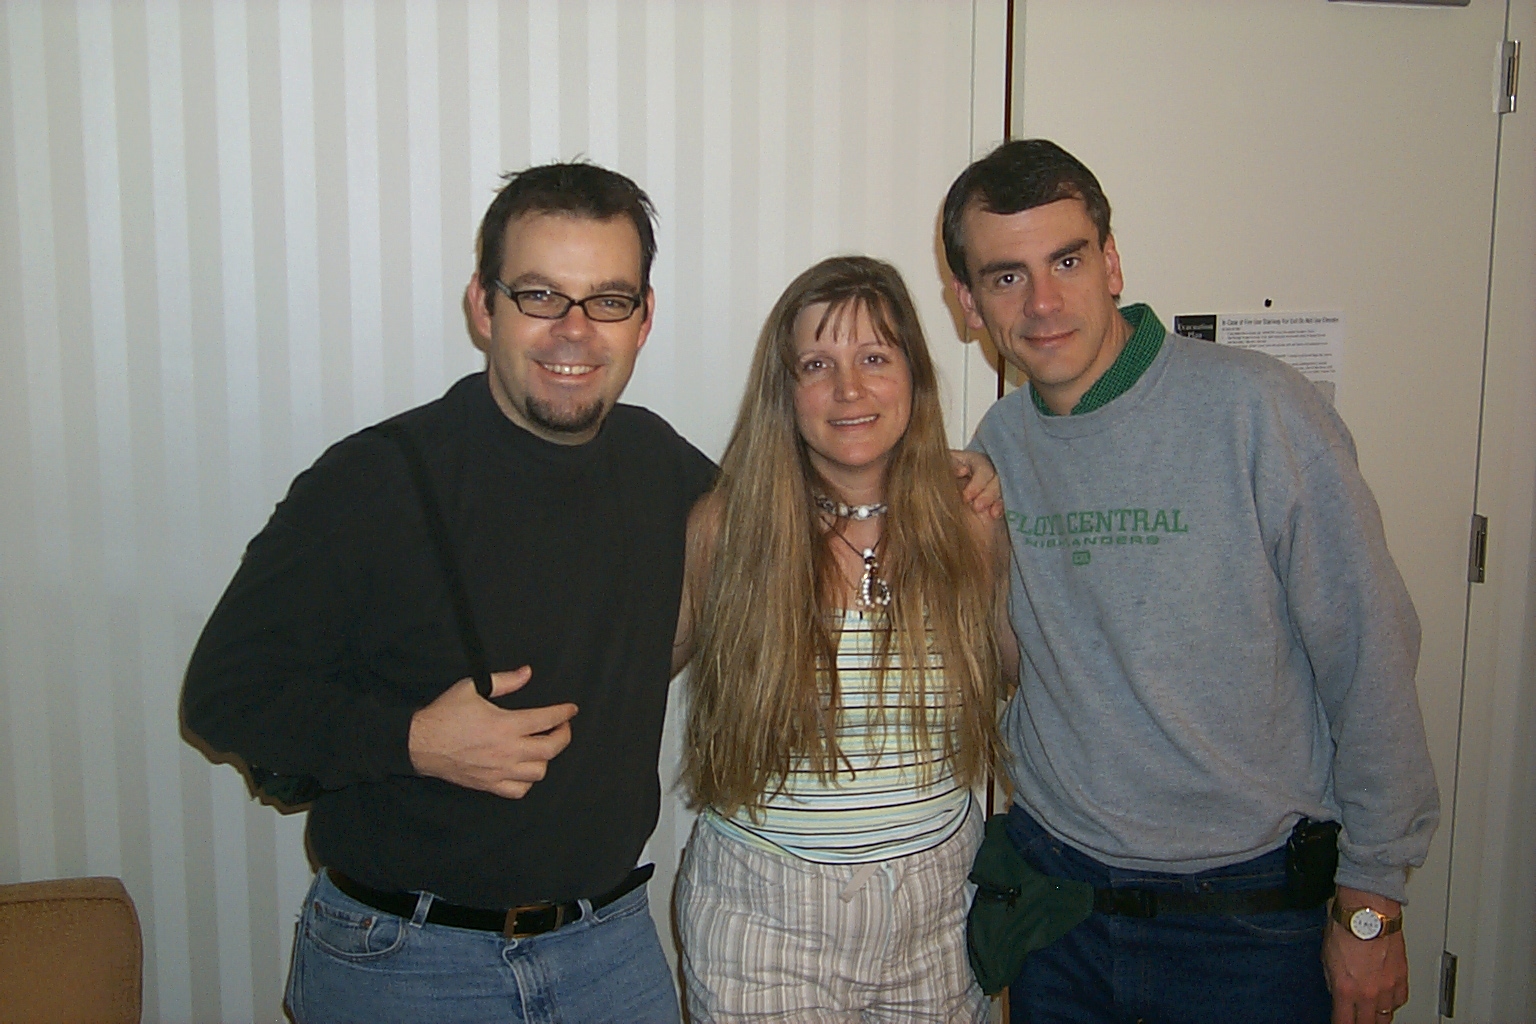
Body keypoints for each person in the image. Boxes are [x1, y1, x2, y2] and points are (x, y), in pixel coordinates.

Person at [182, 162, 713, 1023]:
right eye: (540, 295)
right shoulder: (371, 481)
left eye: (608, 300)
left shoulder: (662, 465)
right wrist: (415, 740)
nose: (573, 331)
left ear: (644, 318)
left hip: (611, 953)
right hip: (403, 964)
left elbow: (790, 527)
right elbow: (225, 697)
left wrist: (948, 481)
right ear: (483, 306)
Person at [941, 139, 1439, 1024]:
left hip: (1247, 926)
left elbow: (1371, 656)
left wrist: (1371, 906)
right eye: (1006, 276)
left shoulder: (1260, 411)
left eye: (1067, 260)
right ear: (969, 304)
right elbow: (1020, 663)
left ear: (1113, 262)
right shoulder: (1002, 443)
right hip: (1064, 917)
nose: (1044, 302)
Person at [671, 256, 1016, 1023]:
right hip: (765, 912)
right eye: (817, 364)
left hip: (936, 907)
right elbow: (622, 675)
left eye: (874, 359)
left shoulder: (971, 525)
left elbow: (1020, 676)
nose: (849, 389)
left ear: (915, 380)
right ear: (784, 392)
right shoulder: (726, 530)